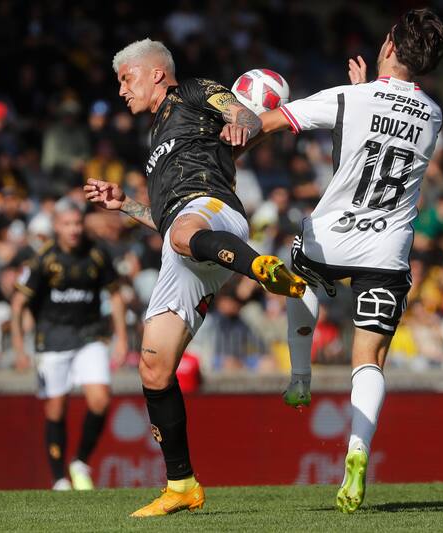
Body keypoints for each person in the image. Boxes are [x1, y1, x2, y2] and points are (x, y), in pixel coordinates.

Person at [83, 38, 306, 517]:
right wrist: (126, 206)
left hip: (213, 212)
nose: (122, 90)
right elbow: (166, 224)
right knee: (153, 368)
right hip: (184, 239)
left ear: (156, 74)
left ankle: (261, 268)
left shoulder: (193, 91)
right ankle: (182, 484)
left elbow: (244, 115)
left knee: (186, 231)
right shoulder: (158, 137)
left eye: (126, 78)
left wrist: (243, 123)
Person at [248, 8, 443, 512]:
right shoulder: (433, 115)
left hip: (330, 239)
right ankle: (357, 452)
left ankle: (300, 377)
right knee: (370, 359)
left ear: (388, 46)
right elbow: (379, 137)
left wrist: (231, 113)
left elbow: (267, 123)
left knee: (300, 277)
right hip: (387, 248)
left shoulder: (347, 98)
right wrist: (360, 97)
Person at [10, 199, 128, 491]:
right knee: (56, 408)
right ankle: (59, 479)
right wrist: (19, 347)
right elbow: (18, 302)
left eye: (77, 223)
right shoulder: (43, 259)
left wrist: (122, 338)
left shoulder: (97, 253)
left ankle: (81, 462)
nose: (74, 229)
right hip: (52, 338)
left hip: (89, 336)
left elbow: (115, 295)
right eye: (67, 224)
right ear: (56, 227)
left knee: (101, 399)